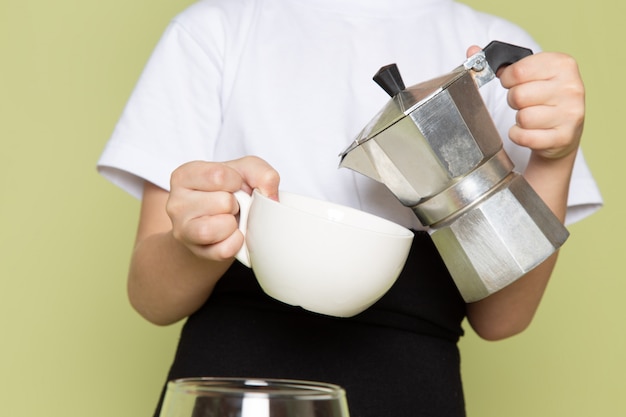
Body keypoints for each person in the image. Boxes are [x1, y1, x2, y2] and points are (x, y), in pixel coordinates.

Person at [98, 0, 602, 416]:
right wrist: (198, 241)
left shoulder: (501, 60)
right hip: (236, 392)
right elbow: (152, 299)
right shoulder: (214, 31)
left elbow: (501, 318)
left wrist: (554, 159)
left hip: (411, 392)